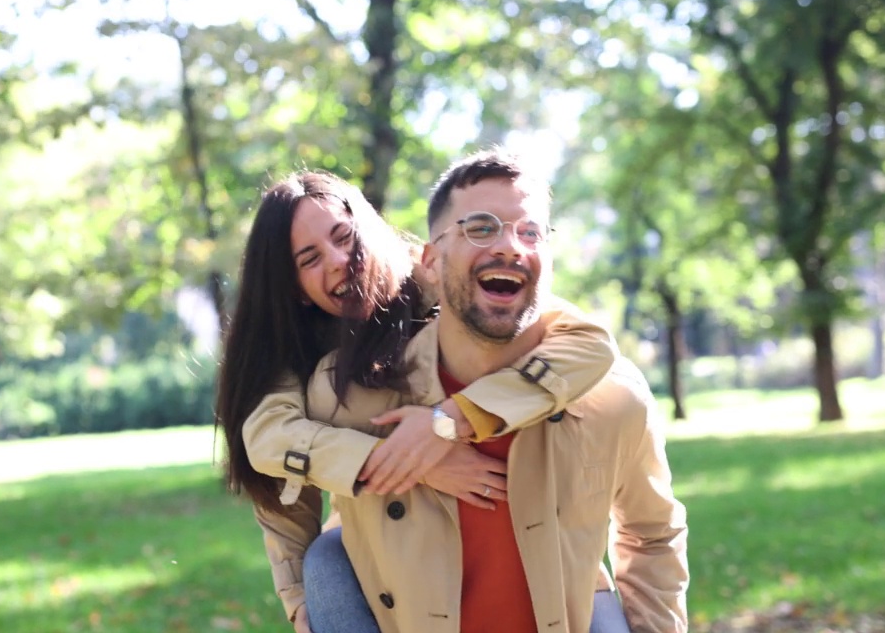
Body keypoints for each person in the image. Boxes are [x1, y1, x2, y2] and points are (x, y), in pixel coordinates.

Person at [279, 149, 689, 632]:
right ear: (430, 262)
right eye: (481, 227)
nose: (511, 246)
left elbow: (651, 536)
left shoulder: (613, 397)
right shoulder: (351, 392)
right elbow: (278, 475)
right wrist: (303, 601)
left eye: (529, 231)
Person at [215, 170, 622, 632]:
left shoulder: (439, 274)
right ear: (291, 287)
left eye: (344, 237)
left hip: (521, 534)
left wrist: (450, 421)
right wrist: (406, 461)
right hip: (395, 551)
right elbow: (273, 454)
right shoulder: (295, 351)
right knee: (325, 563)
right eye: (309, 259)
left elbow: (586, 343)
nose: (337, 261)